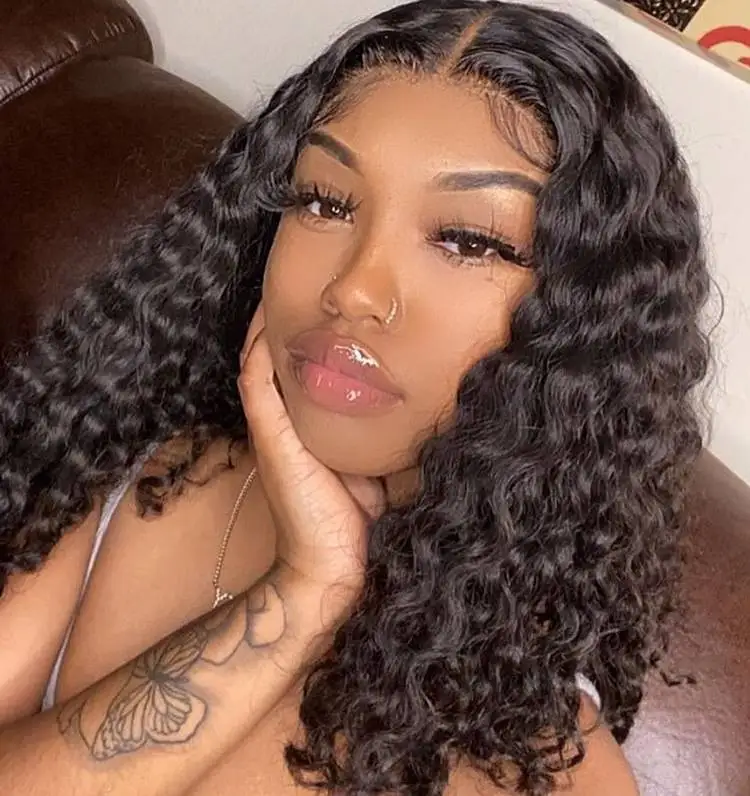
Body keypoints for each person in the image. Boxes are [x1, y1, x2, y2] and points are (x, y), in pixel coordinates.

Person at [0, 0, 712, 794]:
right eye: (324, 202)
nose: (354, 289)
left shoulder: (544, 768)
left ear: (580, 325)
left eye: (467, 240)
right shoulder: (128, 458)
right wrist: (305, 591)